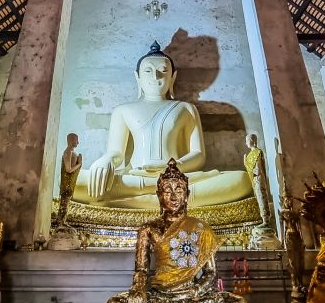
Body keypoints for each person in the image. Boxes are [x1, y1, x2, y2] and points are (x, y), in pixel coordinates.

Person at [74, 42, 251, 208]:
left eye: (162, 71)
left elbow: (198, 155)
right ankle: (167, 200)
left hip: (177, 179)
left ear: (172, 77)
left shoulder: (185, 108)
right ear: (138, 77)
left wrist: (172, 167)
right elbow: (116, 153)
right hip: (136, 178)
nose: (155, 76)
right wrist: (106, 161)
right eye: (148, 71)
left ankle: (134, 202)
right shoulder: (123, 110)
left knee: (242, 180)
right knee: (76, 182)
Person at [105, 160, 250, 303]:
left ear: (187, 194)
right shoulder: (148, 229)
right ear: (159, 195)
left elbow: (211, 273)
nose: (174, 197)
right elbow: (141, 270)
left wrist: (195, 291)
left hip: (193, 297)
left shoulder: (200, 228)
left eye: (179, 190)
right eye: (168, 191)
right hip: (160, 297)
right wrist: (137, 291)